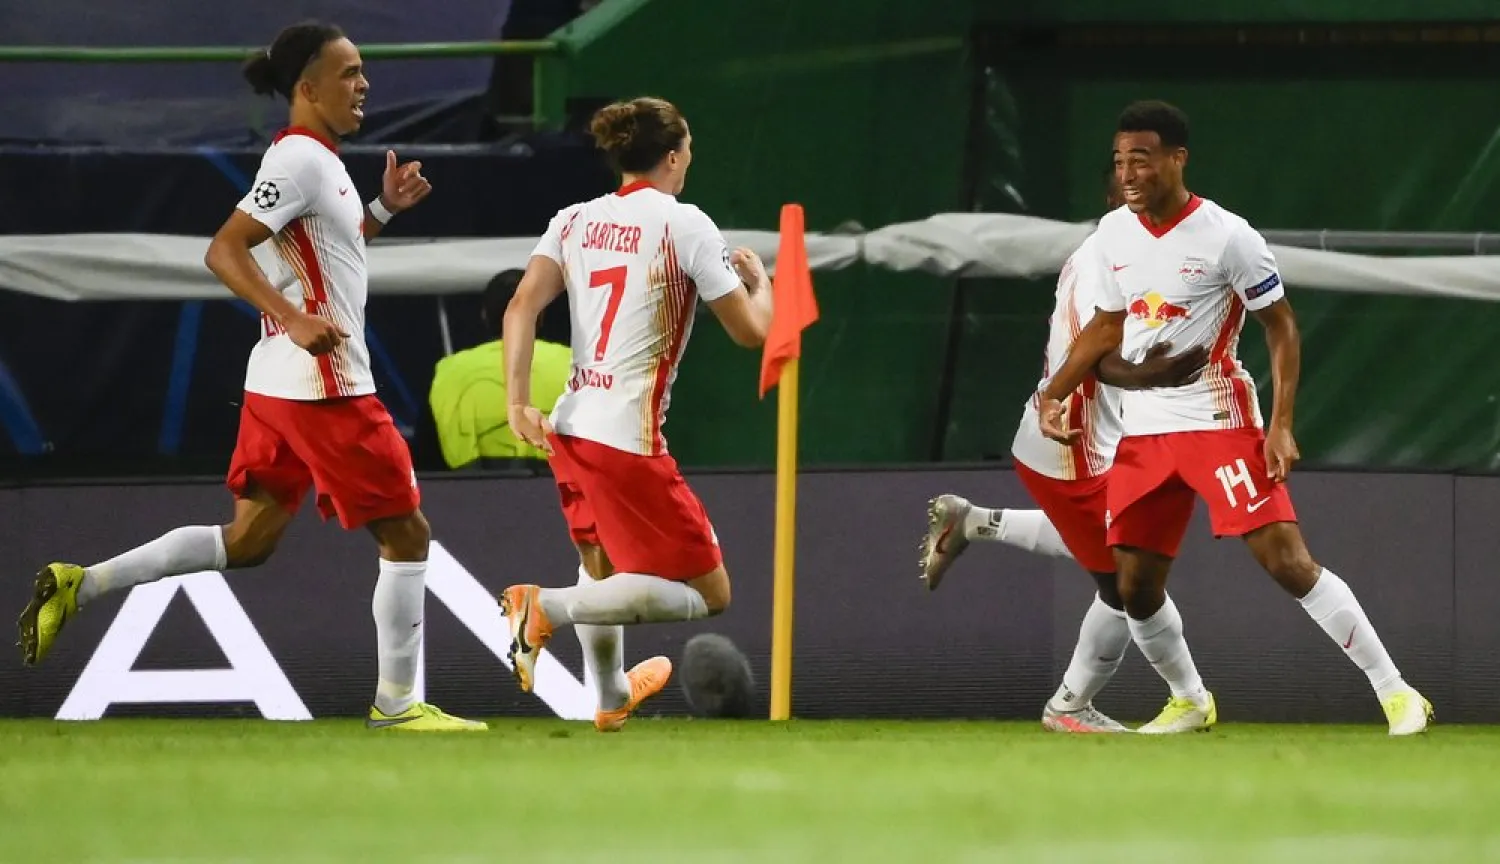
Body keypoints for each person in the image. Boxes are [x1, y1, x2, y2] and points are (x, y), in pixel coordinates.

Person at [15, 21, 484, 733]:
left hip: (277, 384)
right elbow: (224, 251)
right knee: (408, 535)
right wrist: (293, 320)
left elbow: (334, 251)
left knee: (248, 542)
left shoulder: (315, 159)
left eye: (364, 72)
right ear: (307, 87)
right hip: (326, 383)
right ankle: (397, 706)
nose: (364, 85)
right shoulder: (298, 160)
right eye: (350, 72)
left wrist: (383, 207)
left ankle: (84, 584)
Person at [1038, 100, 1431, 736]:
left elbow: (1281, 327)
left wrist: (1280, 424)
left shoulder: (1228, 236)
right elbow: (1107, 327)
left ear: (1176, 158)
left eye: (1141, 158)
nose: (1128, 172)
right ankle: (1190, 700)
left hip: (1218, 422)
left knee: (1286, 560)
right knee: (1132, 587)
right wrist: (1054, 393)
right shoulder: (1112, 235)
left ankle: (1397, 692)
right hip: (1141, 431)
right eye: (1119, 160)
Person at [495, 96, 774, 732]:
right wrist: (764, 284)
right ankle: (543, 610)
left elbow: (521, 305)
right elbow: (753, 333)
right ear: (673, 157)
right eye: (689, 152)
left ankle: (611, 695)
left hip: (569, 427)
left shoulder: (573, 220)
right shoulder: (686, 224)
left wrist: (517, 401)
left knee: (603, 570)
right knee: (711, 594)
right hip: (627, 436)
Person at [922, 165, 1212, 734]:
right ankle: (1082, 705)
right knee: (1126, 585)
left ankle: (975, 523)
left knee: (1113, 547)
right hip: (1069, 447)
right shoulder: (1107, 267)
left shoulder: (1100, 255)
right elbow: (1099, 353)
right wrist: (1153, 374)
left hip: (1070, 440)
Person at [428, 269, 571, 469]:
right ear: (539, 314)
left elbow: (426, 455)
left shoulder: (449, 371)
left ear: (484, 316)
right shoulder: (572, 362)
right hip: (560, 490)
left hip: (471, 494)